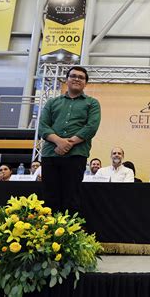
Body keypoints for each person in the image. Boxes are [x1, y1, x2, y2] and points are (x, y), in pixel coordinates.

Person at [39, 66, 101, 213]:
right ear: (67, 80)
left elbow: (91, 127)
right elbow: (42, 126)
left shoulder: (92, 103)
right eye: (73, 76)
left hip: (76, 155)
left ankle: (69, 234)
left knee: (72, 196)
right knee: (50, 195)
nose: (76, 79)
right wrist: (59, 142)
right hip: (50, 154)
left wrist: (68, 143)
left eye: (81, 77)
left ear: (85, 83)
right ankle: (49, 232)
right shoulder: (52, 102)